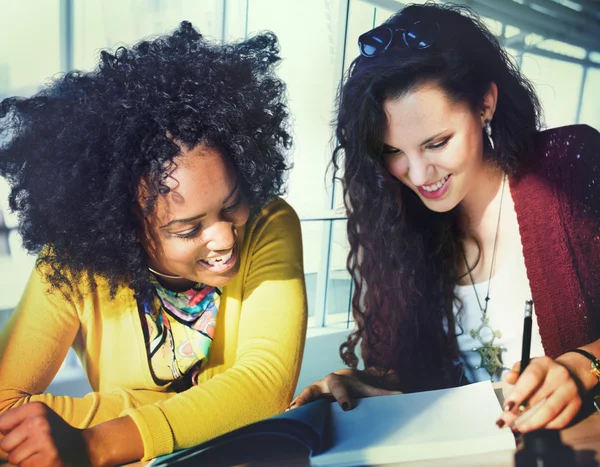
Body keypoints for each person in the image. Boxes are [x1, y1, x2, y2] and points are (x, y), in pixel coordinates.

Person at [0, 22, 307, 467]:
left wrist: (94, 443)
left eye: (232, 204)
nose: (224, 238)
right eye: (187, 229)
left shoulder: (268, 223)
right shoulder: (75, 263)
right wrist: (217, 408)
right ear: (124, 228)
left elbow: (263, 386)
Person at [290, 3, 600, 435]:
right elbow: (428, 378)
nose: (417, 175)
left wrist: (584, 366)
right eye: (394, 152)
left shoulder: (570, 166)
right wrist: (376, 385)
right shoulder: (397, 222)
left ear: (485, 104)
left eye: (436, 142)